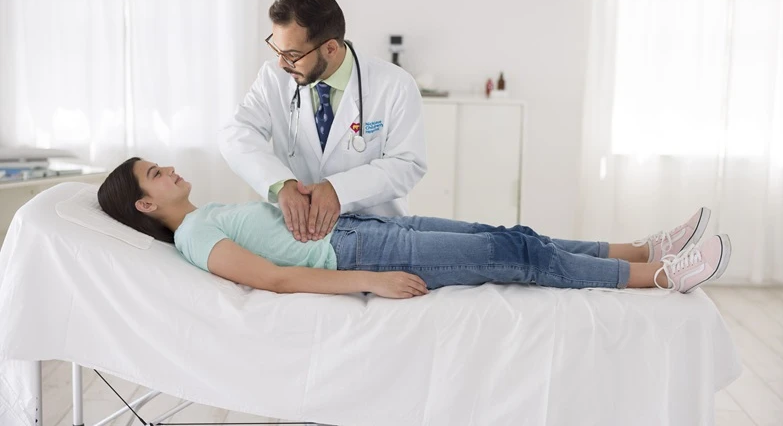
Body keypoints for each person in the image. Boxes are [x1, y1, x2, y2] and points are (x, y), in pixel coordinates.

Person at [218, 0, 427, 426]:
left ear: (330, 48)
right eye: (275, 48)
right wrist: (280, 183)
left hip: (376, 232)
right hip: (308, 240)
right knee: (320, 355)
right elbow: (236, 134)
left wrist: (341, 188)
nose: (280, 63)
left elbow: (409, 162)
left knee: (378, 359)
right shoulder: (275, 79)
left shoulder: (393, 86)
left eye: (291, 53)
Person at [99, 158, 732, 304]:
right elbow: (271, 276)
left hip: (358, 225)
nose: (171, 169)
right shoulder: (194, 239)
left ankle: (644, 247)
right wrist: (368, 279)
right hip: (358, 250)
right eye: (156, 174)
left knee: (506, 233)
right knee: (504, 253)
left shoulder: (204, 215)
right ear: (146, 206)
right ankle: (656, 277)